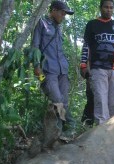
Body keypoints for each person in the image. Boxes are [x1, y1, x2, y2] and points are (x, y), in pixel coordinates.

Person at [80, 0, 114, 126]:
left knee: (112, 103)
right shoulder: (92, 24)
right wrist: (83, 64)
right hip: (98, 69)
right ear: (100, 8)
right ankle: (101, 134)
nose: (108, 10)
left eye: (111, 7)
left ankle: (110, 131)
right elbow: (86, 45)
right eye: (106, 7)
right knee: (100, 102)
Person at [32, 0, 76, 140]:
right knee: (57, 100)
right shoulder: (42, 23)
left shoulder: (59, 28)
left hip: (62, 70)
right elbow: (35, 46)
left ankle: (62, 133)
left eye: (65, 14)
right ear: (54, 10)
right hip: (47, 70)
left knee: (64, 101)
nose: (64, 16)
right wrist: (36, 66)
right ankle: (70, 125)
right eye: (62, 13)